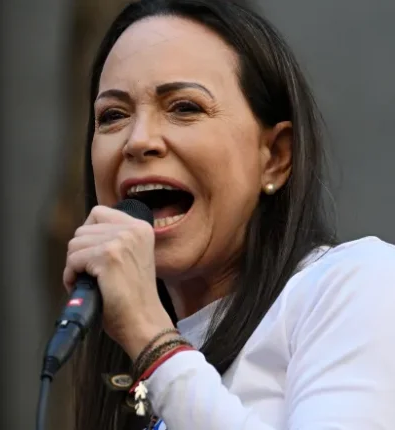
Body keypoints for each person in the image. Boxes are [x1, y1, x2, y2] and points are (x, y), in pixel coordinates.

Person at [63, 0, 395, 429]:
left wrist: (151, 338)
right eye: (113, 115)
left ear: (275, 157)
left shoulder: (358, 283)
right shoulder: (128, 378)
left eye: (184, 107)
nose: (138, 140)